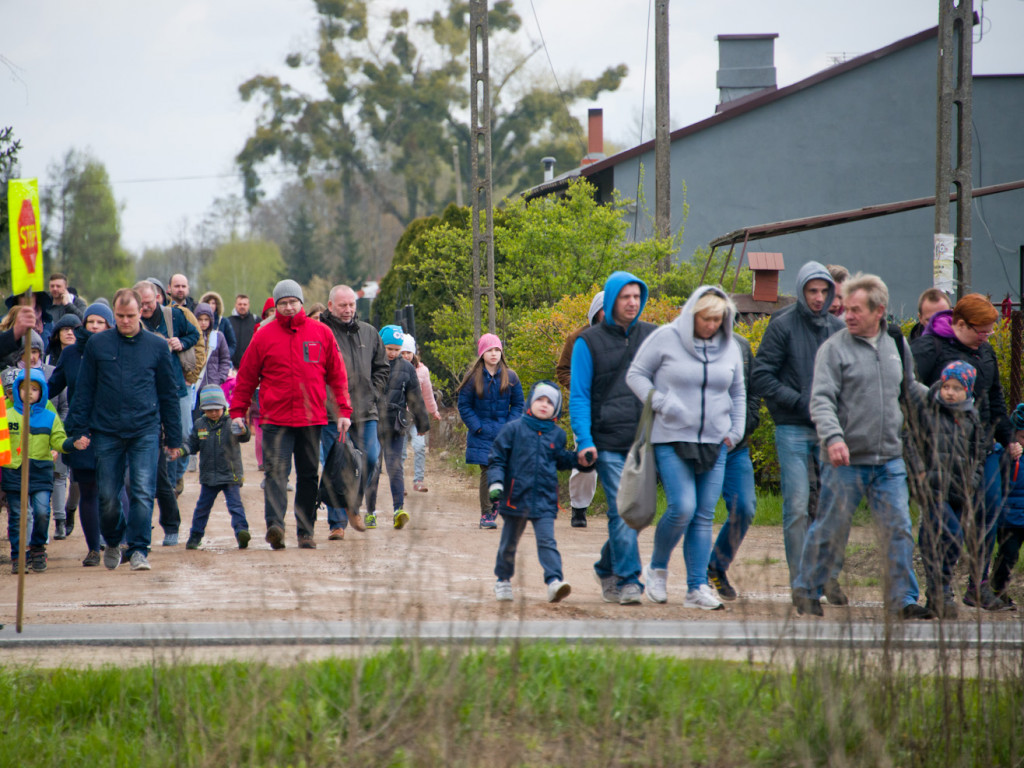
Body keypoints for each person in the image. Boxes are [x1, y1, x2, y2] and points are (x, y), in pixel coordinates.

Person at [792, 273, 931, 619]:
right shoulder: (834, 349)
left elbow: (909, 389)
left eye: (856, 310)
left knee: (898, 526)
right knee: (830, 526)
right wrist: (834, 438)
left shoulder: (896, 346)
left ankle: (903, 600)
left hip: (889, 459)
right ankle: (807, 588)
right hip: (845, 460)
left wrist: (942, 398)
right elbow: (821, 400)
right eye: (846, 309)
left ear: (879, 311)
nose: (847, 315)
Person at [626, 286, 745, 610]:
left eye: (718, 320)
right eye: (706, 319)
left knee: (705, 515)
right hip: (671, 437)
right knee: (683, 507)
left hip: (716, 441)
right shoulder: (666, 337)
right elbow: (636, 375)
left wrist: (736, 429)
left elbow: (738, 391)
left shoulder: (730, 347)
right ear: (693, 314)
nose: (711, 325)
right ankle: (657, 568)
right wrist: (661, 402)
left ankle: (696, 588)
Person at [911, 293, 1020, 610]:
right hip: (940, 455)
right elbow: (909, 397)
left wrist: (1009, 437)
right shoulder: (931, 348)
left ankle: (978, 585)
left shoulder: (984, 352)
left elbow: (995, 399)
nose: (986, 337)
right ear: (960, 324)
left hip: (983, 449)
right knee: (944, 523)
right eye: (981, 330)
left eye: (989, 331)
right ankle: (939, 588)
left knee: (987, 515)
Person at [751, 261, 848, 603]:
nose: (819, 297)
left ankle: (827, 578)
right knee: (795, 506)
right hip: (791, 427)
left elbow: (848, 378)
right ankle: (800, 585)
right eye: (812, 291)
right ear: (801, 290)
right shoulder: (781, 326)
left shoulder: (838, 329)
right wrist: (800, 402)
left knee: (832, 506)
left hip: (829, 430)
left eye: (824, 291)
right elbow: (762, 376)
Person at [229, 279, 352, 550]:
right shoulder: (263, 334)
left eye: (292, 302)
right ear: (276, 305)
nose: (287, 307)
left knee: (308, 476)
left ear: (301, 303)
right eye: (282, 303)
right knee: (276, 474)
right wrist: (237, 411)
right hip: (275, 420)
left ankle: (305, 532)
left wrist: (344, 409)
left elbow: (337, 375)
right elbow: (247, 377)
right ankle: (276, 526)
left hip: (312, 419)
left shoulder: (321, 332)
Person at [66, 288, 183, 572]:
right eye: (120, 316)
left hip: (145, 429)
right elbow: (85, 390)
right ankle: (115, 540)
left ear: (140, 312)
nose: (125, 321)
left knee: (143, 491)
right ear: (114, 314)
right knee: (108, 495)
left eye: (130, 316)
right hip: (106, 431)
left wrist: (174, 437)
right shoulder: (98, 345)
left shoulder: (156, 347)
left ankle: (140, 549)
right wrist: (78, 428)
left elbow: (168, 393)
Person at [570, 271, 657, 605]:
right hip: (606, 441)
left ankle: (606, 566)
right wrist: (584, 439)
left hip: (644, 441)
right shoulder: (587, 342)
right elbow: (578, 395)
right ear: (610, 300)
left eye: (637, 296)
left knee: (640, 511)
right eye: (625, 297)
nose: (632, 302)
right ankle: (628, 579)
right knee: (622, 509)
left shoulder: (653, 336)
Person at [488, 382, 592, 603]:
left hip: (545, 499)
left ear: (556, 409)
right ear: (530, 402)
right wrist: (496, 484)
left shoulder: (557, 435)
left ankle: (554, 582)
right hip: (516, 498)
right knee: (509, 542)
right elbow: (497, 459)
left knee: (547, 541)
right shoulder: (512, 430)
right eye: (540, 400)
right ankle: (503, 580)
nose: (544, 405)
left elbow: (562, 460)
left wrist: (581, 462)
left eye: (550, 402)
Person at [908, 361, 986, 618]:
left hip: (959, 492)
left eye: (957, 388)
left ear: (968, 391)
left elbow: (979, 455)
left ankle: (937, 593)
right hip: (932, 489)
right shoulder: (929, 410)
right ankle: (941, 590)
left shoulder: (972, 418)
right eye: (946, 386)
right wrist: (920, 471)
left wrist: (972, 482)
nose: (950, 392)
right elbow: (910, 439)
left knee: (936, 541)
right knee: (951, 534)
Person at [48, 302, 119, 567]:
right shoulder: (71, 354)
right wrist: (29, 390)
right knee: (88, 490)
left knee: (112, 489)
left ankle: (115, 540)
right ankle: (93, 548)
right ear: (84, 324)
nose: (95, 327)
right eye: (91, 322)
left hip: (113, 430)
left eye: (101, 322)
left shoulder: (118, 350)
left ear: (109, 326)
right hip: (82, 432)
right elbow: (53, 386)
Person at [320, 284, 390, 537]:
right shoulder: (321, 332)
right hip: (333, 413)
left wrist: (373, 392)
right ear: (330, 306)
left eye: (351, 305)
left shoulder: (370, 333)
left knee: (370, 458)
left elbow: (382, 367)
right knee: (337, 465)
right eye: (342, 305)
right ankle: (337, 524)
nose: (348, 310)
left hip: (365, 411)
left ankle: (353, 506)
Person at [4, 369, 81, 573]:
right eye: (24, 388)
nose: (29, 393)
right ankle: (18, 555)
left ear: (42, 392)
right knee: (18, 516)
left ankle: (37, 547)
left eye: (35, 389)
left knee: (41, 512)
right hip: (14, 472)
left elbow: (59, 440)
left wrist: (73, 443)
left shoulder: (49, 417)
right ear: (17, 390)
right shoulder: (7, 415)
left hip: (40, 471)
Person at [706, 330, 762, 600]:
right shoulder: (685, 343)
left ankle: (716, 566)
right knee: (691, 511)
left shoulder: (741, 344)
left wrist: (748, 421)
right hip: (700, 446)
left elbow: (752, 390)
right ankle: (694, 579)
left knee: (745, 507)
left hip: (735, 446)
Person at [363, 325, 430, 530]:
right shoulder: (370, 363)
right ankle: (370, 512)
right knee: (373, 467)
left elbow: (415, 397)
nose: (392, 353)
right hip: (372, 422)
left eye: (396, 349)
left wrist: (422, 423)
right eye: (388, 348)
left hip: (395, 424)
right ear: (380, 344)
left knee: (395, 468)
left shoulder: (407, 368)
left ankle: (398, 510)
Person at [457, 333, 524, 529]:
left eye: (497, 349)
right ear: (481, 354)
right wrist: (477, 427)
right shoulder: (472, 378)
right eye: (489, 350)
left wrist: (510, 426)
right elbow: (464, 405)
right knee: (487, 470)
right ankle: (486, 514)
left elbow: (519, 404)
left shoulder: (511, 376)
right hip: (482, 433)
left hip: (505, 433)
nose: (494, 354)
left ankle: (498, 503)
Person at [181, 385, 251, 550]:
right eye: (209, 410)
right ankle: (195, 536)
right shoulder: (200, 424)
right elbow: (193, 444)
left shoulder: (231, 423)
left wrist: (242, 429)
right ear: (203, 410)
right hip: (209, 477)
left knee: (235, 506)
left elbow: (245, 436)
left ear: (223, 407)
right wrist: (182, 451)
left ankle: (242, 532)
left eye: (216, 409)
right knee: (202, 508)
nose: (213, 413)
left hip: (230, 475)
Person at [556, 290, 604, 528]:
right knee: (587, 458)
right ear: (596, 311)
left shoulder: (629, 337)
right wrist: (580, 385)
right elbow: (562, 370)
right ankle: (579, 508)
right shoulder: (578, 338)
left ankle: (623, 510)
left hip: (618, 409)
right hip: (585, 407)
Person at [991, 404, 1024, 609]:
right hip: (1010, 517)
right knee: (1008, 555)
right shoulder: (1003, 453)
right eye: (1022, 436)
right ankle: (998, 589)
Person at [400, 334, 441, 493]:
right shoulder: (393, 368)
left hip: (417, 416)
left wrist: (434, 411)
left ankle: (418, 480)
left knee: (419, 447)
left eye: (408, 352)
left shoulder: (422, 371)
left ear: (414, 353)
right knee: (401, 452)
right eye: (402, 352)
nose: (405, 356)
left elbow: (428, 394)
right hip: (400, 417)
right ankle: (400, 483)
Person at [198, 290, 238, 362]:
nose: (210, 305)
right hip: (201, 359)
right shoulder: (196, 321)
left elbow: (232, 344)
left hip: (219, 361)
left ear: (217, 305)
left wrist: (225, 356)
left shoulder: (224, 322)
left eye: (213, 303)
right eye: (208, 303)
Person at [227, 294, 259, 370]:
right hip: (232, 367)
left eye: (245, 304)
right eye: (240, 304)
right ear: (235, 305)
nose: (242, 306)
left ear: (249, 305)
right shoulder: (228, 321)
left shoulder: (256, 320)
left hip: (251, 365)